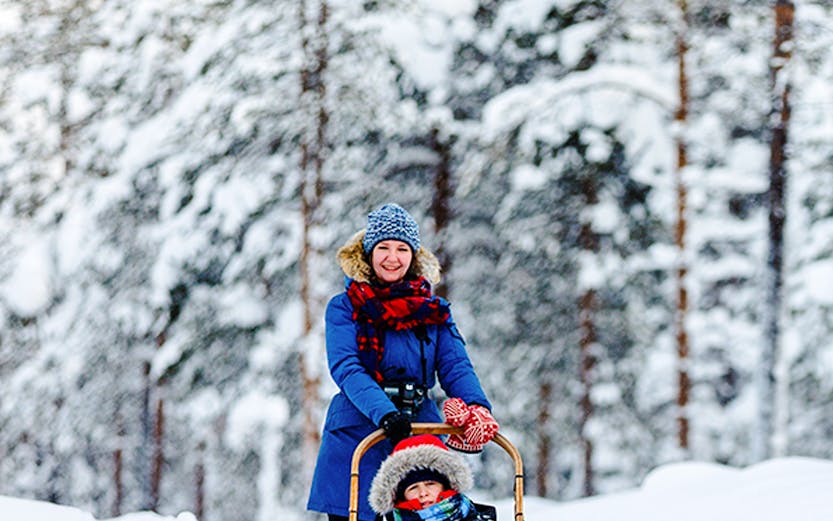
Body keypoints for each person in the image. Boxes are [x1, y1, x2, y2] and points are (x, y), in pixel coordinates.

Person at [307, 203, 499, 521]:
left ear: (413, 255)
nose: (392, 258)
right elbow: (346, 367)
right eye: (383, 247)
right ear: (368, 253)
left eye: (401, 248)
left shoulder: (433, 310)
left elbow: (455, 365)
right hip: (359, 429)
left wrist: (476, 407)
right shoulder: (345, 306)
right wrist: (385, 413)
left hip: (419, 430)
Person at [368, 434, 494, 521]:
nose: (423, 493)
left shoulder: (474, 516)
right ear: (400, 495)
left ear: (445, 485)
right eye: (413, 488)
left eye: (430, 484)